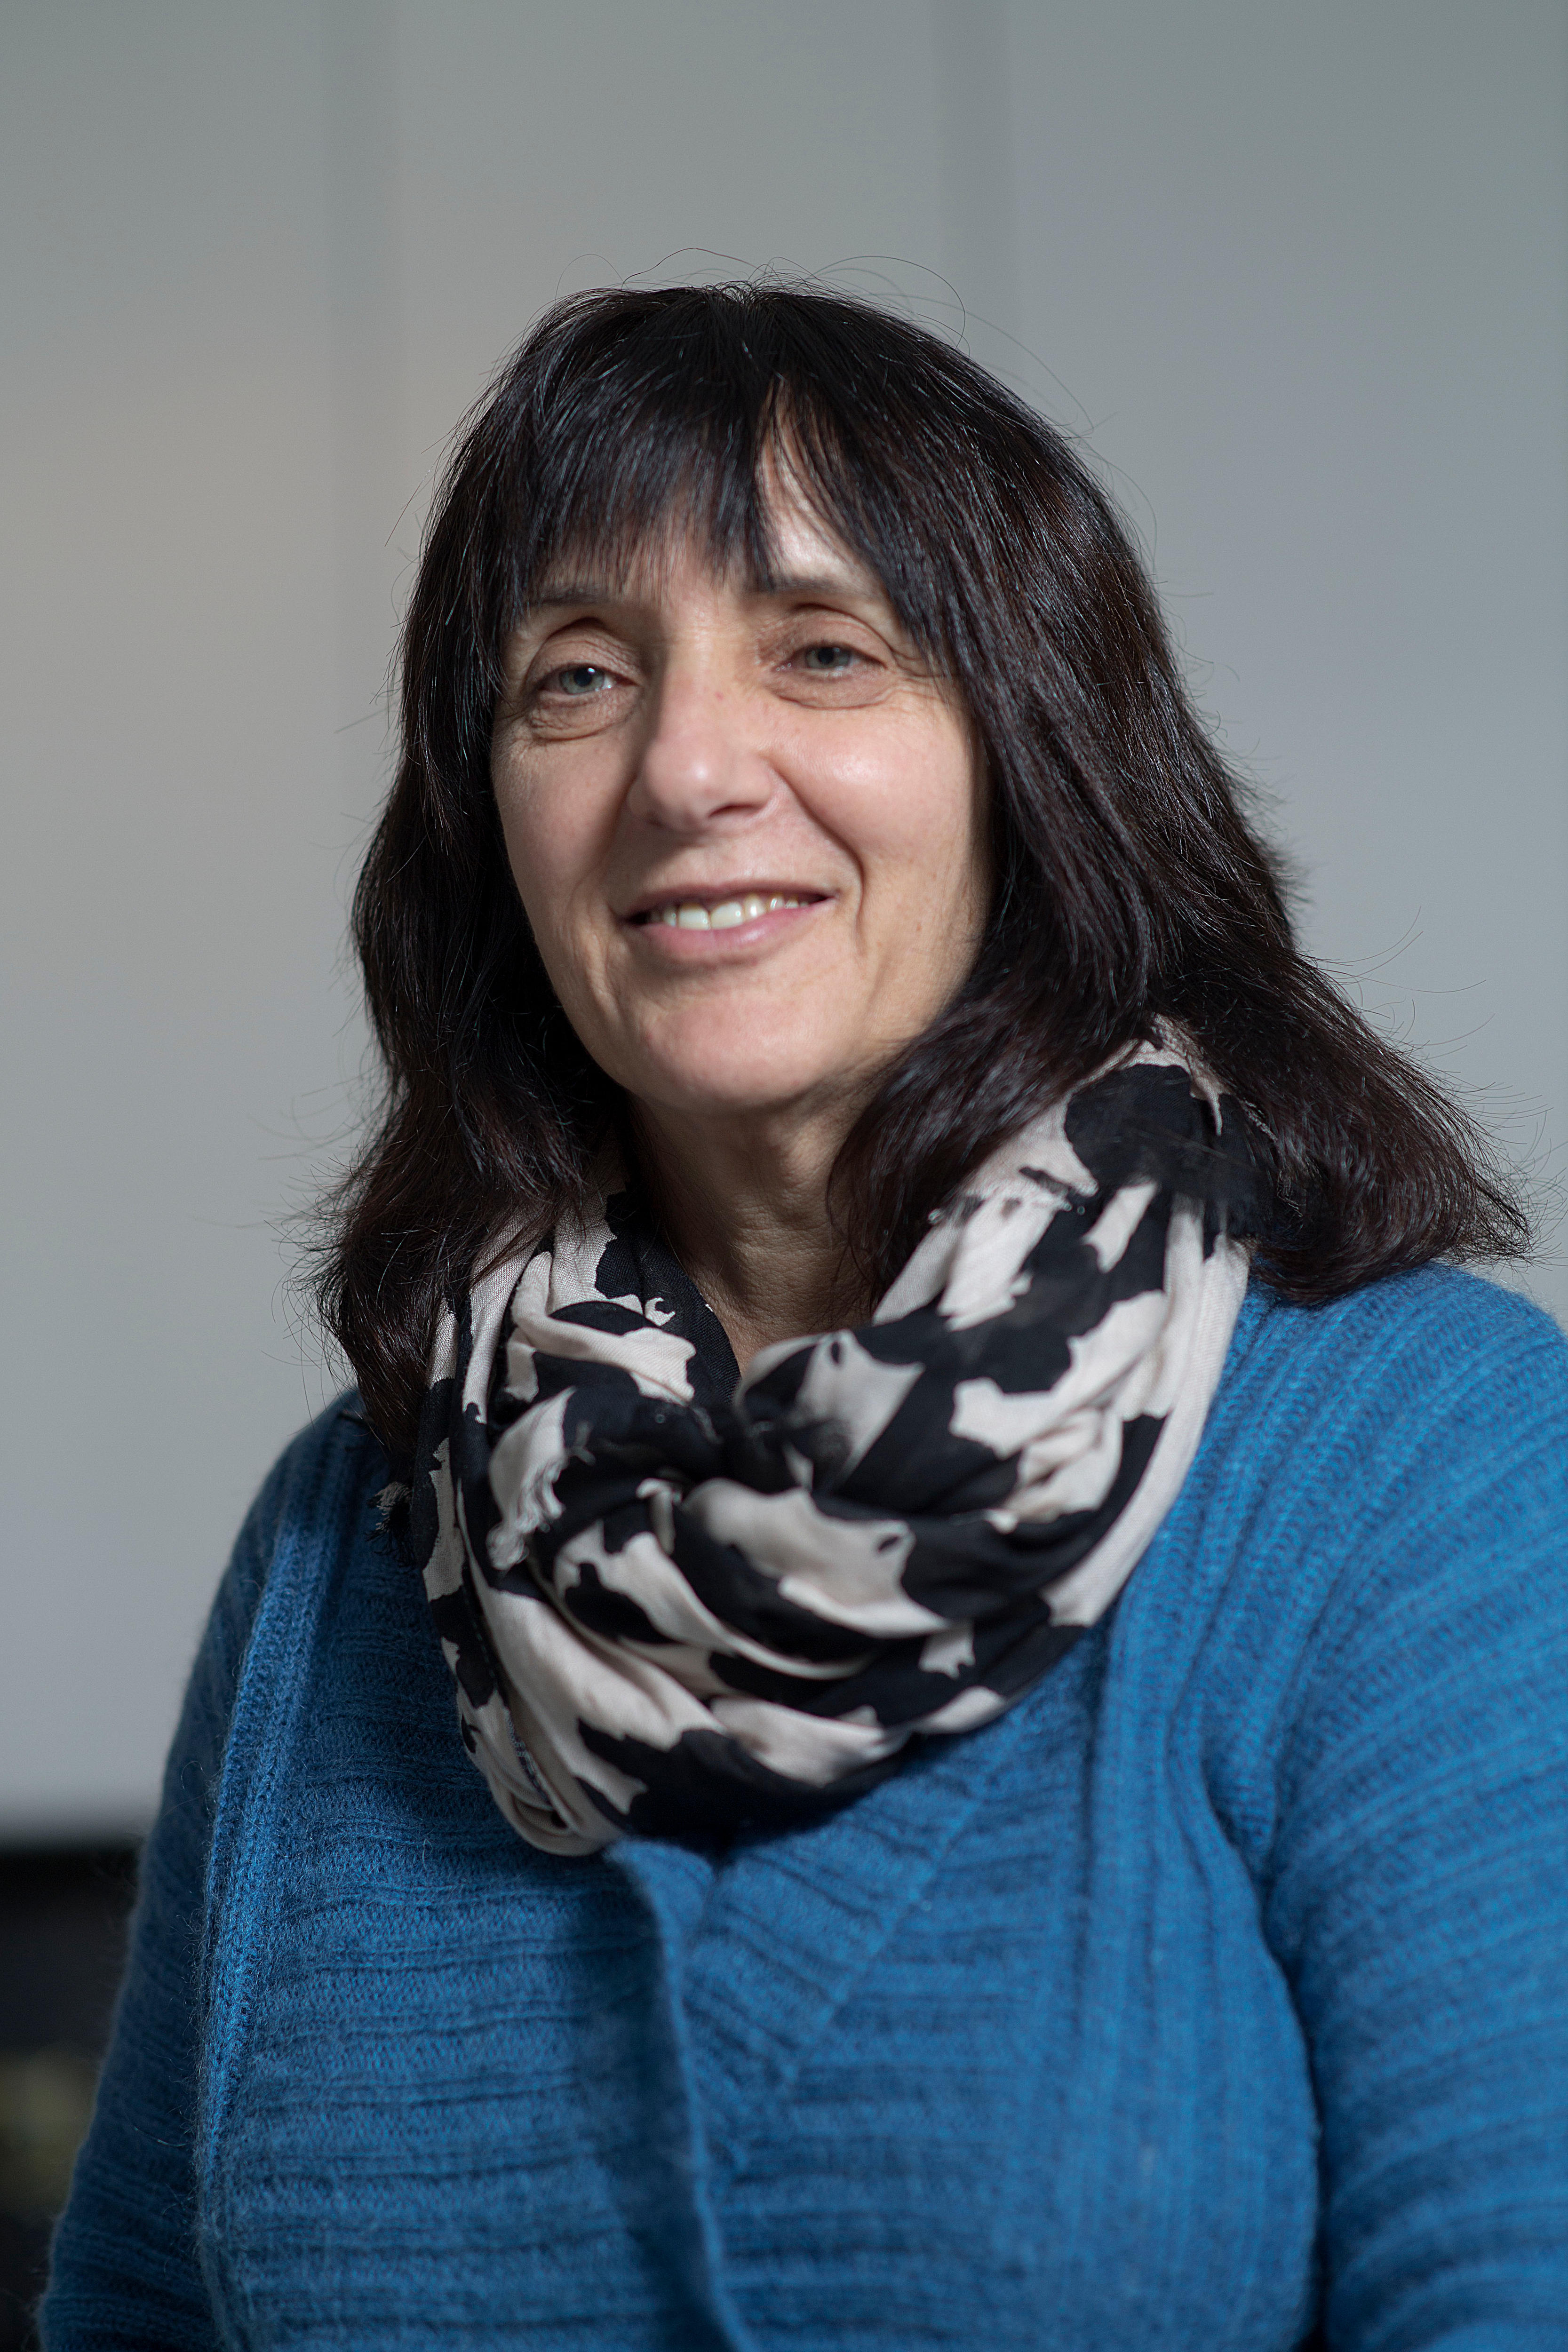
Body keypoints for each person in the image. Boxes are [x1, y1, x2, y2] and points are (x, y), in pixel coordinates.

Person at [42, 285, 1566, 2349]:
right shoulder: (340, 1547)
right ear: (491, 819)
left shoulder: (1414, 1464)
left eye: (824, 651)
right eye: (577, 675)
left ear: (1032, 756)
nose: (685, 765)